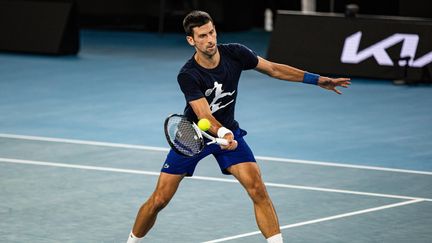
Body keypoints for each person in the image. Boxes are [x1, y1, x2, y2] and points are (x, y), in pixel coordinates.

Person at [127, 10, 350, 243]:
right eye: (202, 36)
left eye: (211, 32)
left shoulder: (236, 53)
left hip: (228, 132)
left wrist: (318, 80)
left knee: (257, 189)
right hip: (191, 135)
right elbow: (204, 115)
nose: (210, 39)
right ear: (191, 41)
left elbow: (273, 69)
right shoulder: (188, 75)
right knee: (160, 200)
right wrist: (223, 132)